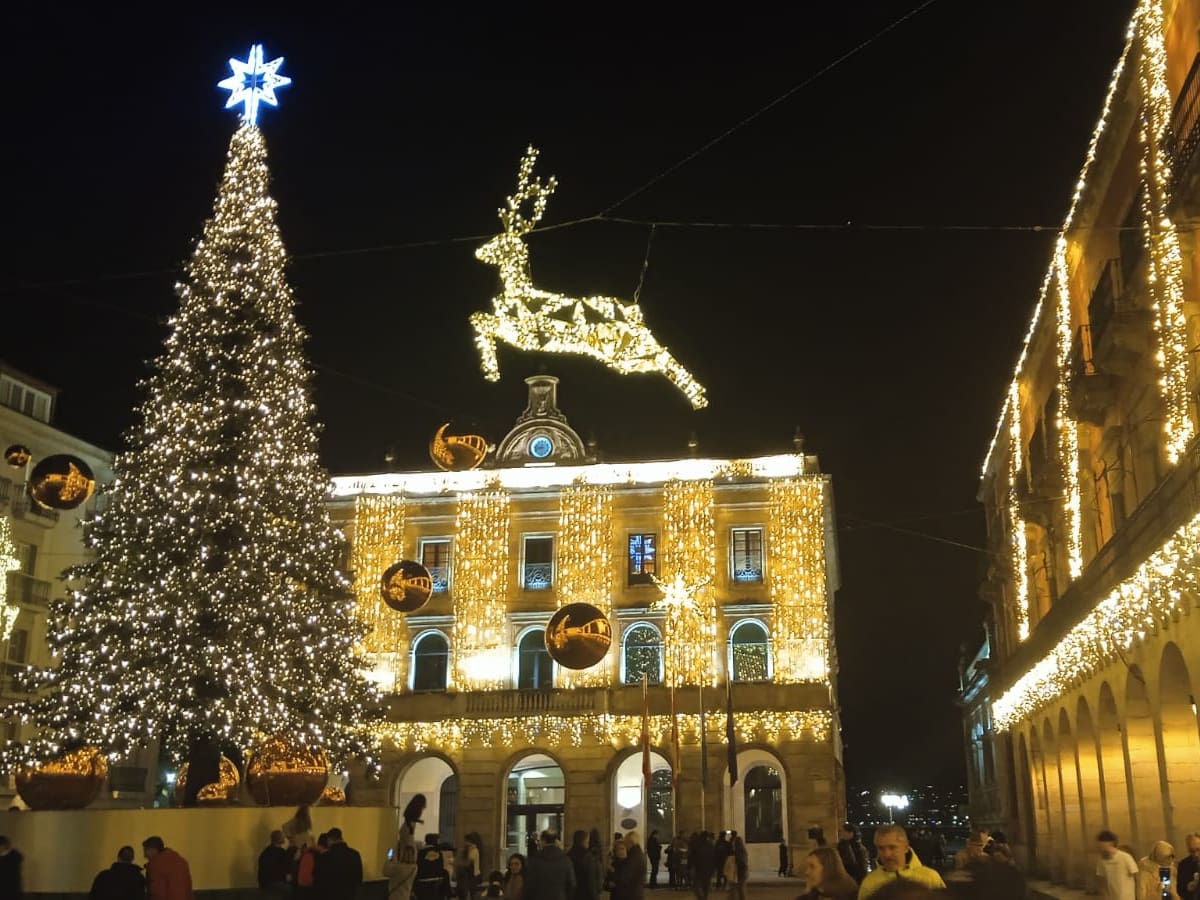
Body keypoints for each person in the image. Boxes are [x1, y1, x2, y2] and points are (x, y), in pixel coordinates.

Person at [856, 826, 945, 899]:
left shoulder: (930, 877)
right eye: (881, 848)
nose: (887, 854)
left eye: (892, 847)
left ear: (906, 847)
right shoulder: (869, 883)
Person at [314, 828, 364, 900]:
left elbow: (317, 878)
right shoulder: (355, 854)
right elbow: (359, 878)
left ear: (330, 840)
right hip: (349, 895)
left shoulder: (325, 857)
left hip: (330, 896)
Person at [526, 831, 576, 900]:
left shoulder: (535, 860)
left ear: (543, 840)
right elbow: (571, 884)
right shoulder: (565, 859)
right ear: (555, 841)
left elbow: (529, 884)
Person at [1096, 831, 1139, 900]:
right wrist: (1105, 895)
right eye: (1100, 847)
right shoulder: (1101, 860)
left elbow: (1136, 876)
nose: (1101, 849)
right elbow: (1101, 880)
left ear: (1111, 844)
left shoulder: (1125, 857)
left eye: (1103, 846)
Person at [414, 835, 452, 900]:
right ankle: (449, 894)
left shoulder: (420, 852)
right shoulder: (439, 852)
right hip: (437, 882)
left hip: (422, 881)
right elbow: (443, 866)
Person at [568, 831, 601, 900]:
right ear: (583, 841)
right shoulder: (588, 857)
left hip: (573, 894)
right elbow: (591, 881)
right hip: (586, 894)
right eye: (587, 841)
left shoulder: (568, 855)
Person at [258, 831, 291, 897]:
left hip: (264, 884)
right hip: (276, 883)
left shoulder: (265, 852)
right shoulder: (281, 852)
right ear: (280, 839)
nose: (285, 838)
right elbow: (286, 869)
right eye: (283, 837)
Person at [456, 834, 483, 900]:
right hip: (466, 874)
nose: (465, 842)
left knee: (471, 892)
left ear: (470, 841)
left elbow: (469, 861)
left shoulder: (474, 850)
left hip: (471, 874)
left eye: (466, 841)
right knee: (465, 892)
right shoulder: (466, 849)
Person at [689, 833, 715, 900]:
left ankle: (701, 898)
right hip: (708, 868)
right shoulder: (710, 845)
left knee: (695, 886)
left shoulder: (696, 845)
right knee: (705, 886)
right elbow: (714, 857)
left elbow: (692, 857)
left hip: (699, 868)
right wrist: (713, 869)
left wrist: (689, 867)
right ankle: (705, 897)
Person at [1178, 833, 1200, 900]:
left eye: (1198, 850)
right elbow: (1180, 890)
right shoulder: (1184, 865)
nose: (1196, 854)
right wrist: (1187, 888)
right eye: (1192, 851)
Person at [727, 836, 748, 900]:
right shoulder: (744, 851)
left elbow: (740, 862)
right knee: (740, 890)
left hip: (737, 873)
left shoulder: (737, 853)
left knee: (735, 890)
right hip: (742, 873)